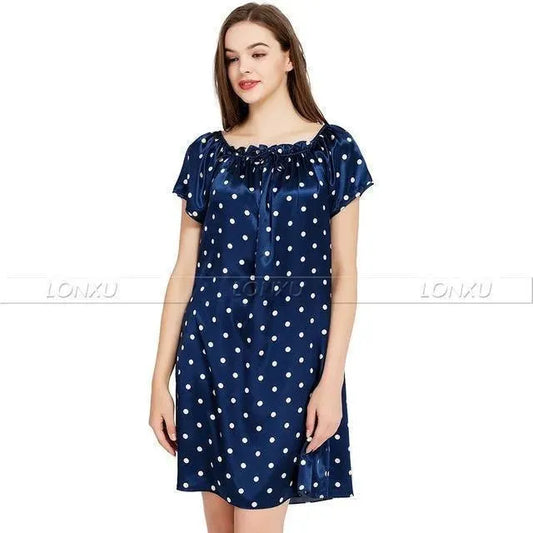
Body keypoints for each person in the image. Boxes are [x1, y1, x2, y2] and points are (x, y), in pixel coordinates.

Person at [150, 3, 374, 531]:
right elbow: (184, 272)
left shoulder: (333, 149)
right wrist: (159, 381)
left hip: (291, 355)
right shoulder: (207, 154)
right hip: (210, 350)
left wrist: (330, 383)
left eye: (257, 53)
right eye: (232, 58)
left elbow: (345, 274)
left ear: (289, 58)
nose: (243, 68)